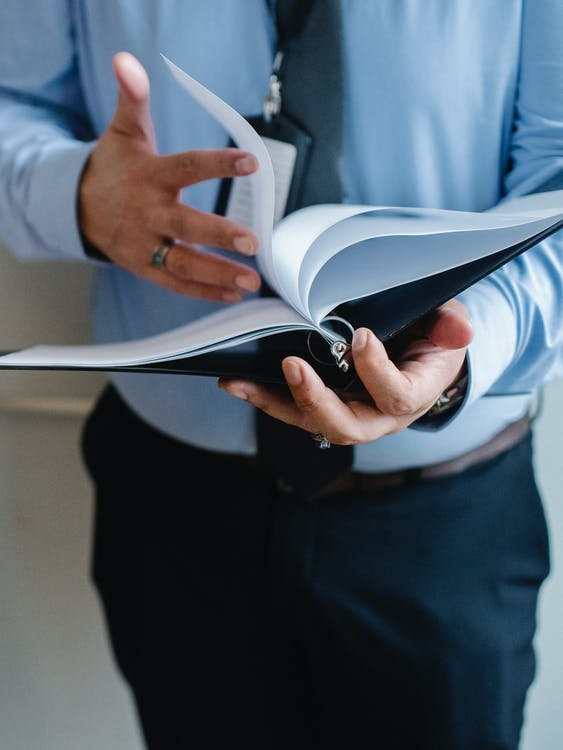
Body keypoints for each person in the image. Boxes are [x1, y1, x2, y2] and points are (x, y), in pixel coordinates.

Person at [0, 2, 561, 748]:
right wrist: (76, 195)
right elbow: (13, 100)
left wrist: (467, 341)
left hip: (443, 536)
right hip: (173, 511)